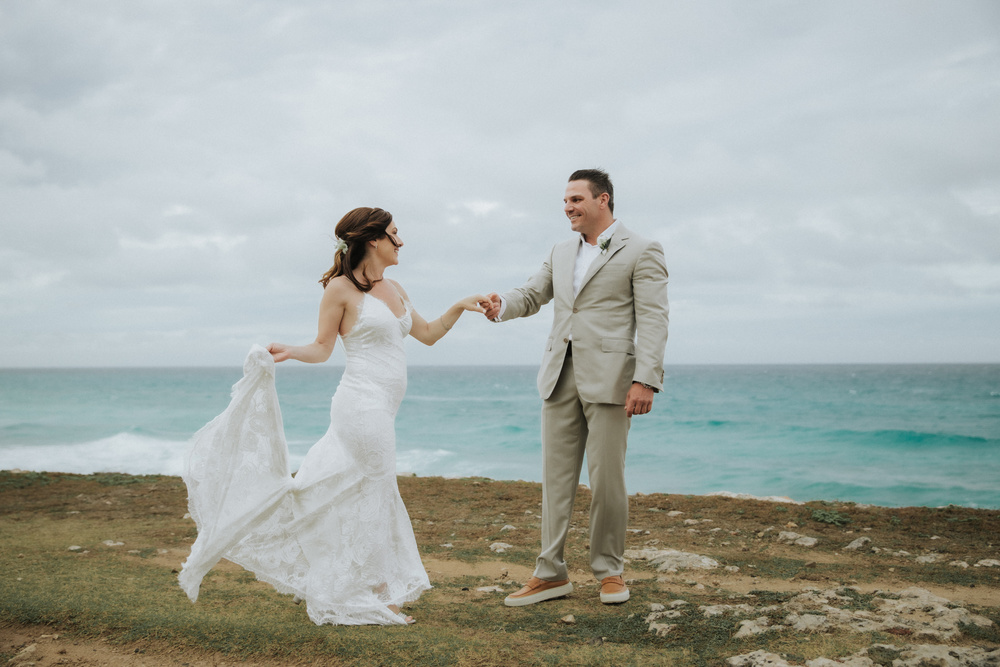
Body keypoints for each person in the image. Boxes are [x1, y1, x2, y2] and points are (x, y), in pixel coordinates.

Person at [179, 207, 486, 626]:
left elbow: (428, 335)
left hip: (384, 407)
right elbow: (323, 348)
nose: (402, 242)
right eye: (396, 234)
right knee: (377, 488)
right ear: (374, 240)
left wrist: (460, 306)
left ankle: (364, 583)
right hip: (360, 405)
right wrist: (289, 351)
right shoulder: (340, 290)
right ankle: (380, 592)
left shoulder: (394, 287)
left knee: (352, 489)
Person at [482, 169, 669, 607]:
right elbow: (531, 294)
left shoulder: (643, 250)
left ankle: (610, 571)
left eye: (575, 199)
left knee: (607, 481)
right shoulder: (560, 251)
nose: (568, 207)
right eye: (565, 201)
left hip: (611, 381)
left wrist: (646, 379)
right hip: (557, 376)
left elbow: (655, 319)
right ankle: (550, 574)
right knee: (555, 481)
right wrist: (501, 305)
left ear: (602, 200)